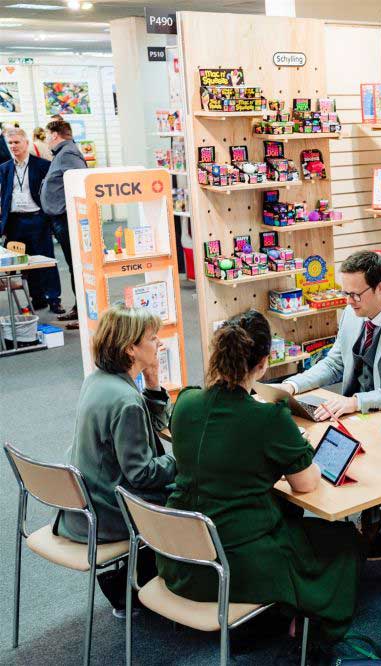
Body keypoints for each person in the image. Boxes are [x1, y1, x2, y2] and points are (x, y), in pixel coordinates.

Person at [158, 310, 364, 655]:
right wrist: (296, 450)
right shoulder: (268, 418)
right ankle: (306, 625)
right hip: (234, 563)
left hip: (177, 554)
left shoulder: (187, 402)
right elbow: (307, 485)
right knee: (344, 541)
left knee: (288, 518)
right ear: (265, 363)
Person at [56, 304, 176, 614]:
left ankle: (132, 582)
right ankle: (155, 588)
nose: (159, 343)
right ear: (130, 349)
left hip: (86, 504)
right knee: (190, 491)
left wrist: (152, 382)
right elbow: (143, 474)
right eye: (152, 338)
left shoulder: (98, 380)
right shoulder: (126, 402)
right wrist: (187, 462)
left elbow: (151, 426)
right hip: (110, 513)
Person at [280, 250, 381, 419]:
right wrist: (293, 385)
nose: (349, 301)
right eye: (346, 293)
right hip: (362, 414)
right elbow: (334, 364)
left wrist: (356, 402)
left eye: (355, 295)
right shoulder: (351, 313)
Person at [0, 126, 62, 313]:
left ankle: (54, 299)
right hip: (15, 221)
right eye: (10, 143)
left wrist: (49, 218)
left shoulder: (42, 165)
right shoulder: (4, 168)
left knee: (46, 260)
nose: (13, 146)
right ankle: (38, 298)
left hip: (37, 219)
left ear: (26, 143)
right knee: (26, 262)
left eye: (17, 142)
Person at [41, 118, 87, 326]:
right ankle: (81, 309)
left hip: (67, 219)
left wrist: (67, 210)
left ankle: (85, 312)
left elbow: (81, 182)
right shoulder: (62, 153)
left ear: (54, 135)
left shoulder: (67, 153)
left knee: (77, 265)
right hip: (60, 218)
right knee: (73, 265)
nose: (46, 141)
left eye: (47, 136)